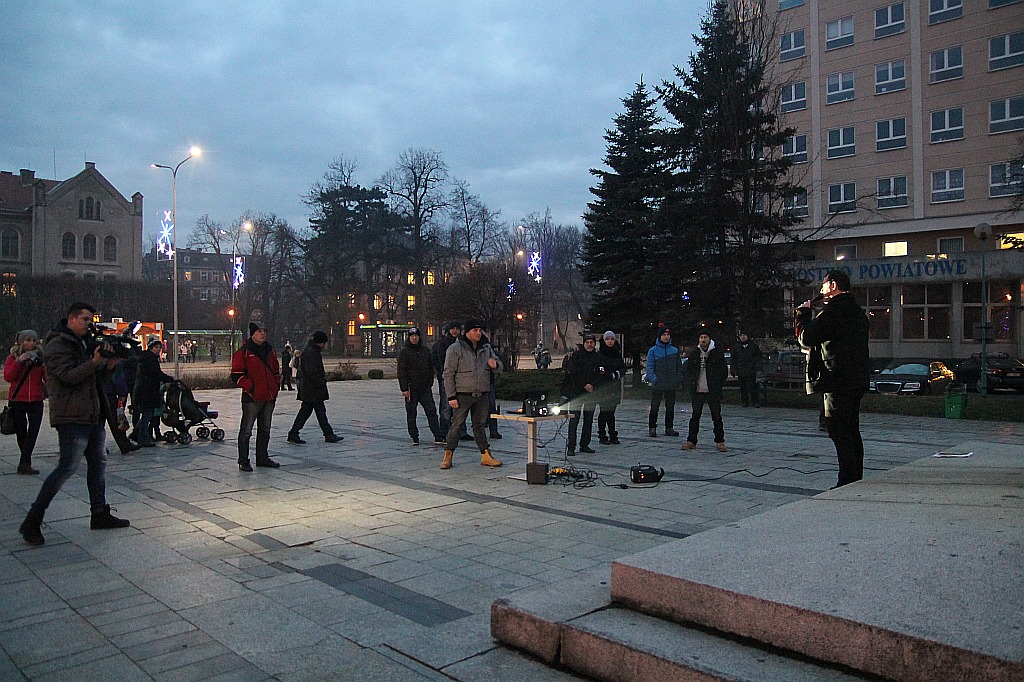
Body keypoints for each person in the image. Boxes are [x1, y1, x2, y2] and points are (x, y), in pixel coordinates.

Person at [19, 302, 131, 546]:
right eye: (84, 319)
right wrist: (95, 362)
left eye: (91, 320)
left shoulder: (82, 342)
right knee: (67, 466)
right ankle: (33, 519)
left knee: (98, 463)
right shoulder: (57, 344)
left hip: (92, 413)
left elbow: (93, 378)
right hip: (72, 415)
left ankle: (99, 513)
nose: (88, 324)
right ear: (71, 319)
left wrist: (108, 365)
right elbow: (69, 376)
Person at [796, 269, 870, 488]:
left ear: (834, 286)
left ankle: (847, 479)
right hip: (855, 378)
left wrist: (803, 316)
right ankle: (855, 476)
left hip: (837, 379)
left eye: (824, 285)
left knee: (838, 429)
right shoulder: (856, 311)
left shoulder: (834, 311)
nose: (821, 289)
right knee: (852, 429)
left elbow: (807, 337)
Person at [440, 319, 503, 470]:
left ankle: (485, 455)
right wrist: (451, 396)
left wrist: (496, 365)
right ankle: (448, 454)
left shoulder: (486, 348)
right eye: (475, 330)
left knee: (479, 425)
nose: (479, 333)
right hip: (463, 394)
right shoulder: (455, 348)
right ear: (467, 332)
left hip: (482, 393)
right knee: (456, 425)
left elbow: (499, 365)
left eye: (480, 330)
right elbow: (448, 373)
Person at [231, 322, 282, 471]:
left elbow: (275, 371)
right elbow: (236, 375)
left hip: (268, 397)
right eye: (260, 331)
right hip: (251, 399)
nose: (263, 334)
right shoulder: (244, 352)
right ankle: (243, 460)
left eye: (264, 331)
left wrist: (275, 387)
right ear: (253, 334)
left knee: (265, 429)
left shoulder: (269, 350)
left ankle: (262, 457)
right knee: (246, 430)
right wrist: (251, 388)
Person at [287, 331, 343, 445]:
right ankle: (327, 434)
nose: (325, 345)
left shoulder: (310, 350)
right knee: (318, 412)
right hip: (312, 388)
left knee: (309, 412)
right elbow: (312, 372)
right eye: (324, 343)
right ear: (320, 342)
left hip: (310, 388)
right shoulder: (312, 353)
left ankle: (295, 433)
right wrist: (321, 382)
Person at [4, 330, 46, 474]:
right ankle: (25, 462)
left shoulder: (39, 358)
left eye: (33, 340)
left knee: (34, 430)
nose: (31, 343)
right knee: (21, 431)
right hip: (18, 399)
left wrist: (44, 365)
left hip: (36, 398)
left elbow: (47, 379)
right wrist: (20, 361)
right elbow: (9, 377)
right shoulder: (13, 358)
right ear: (21, 342)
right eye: (27, 340)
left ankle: (24, 461)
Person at [682, 332, 729, 452]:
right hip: (698, 390)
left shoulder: (716, 353)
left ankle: (720, 441)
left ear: (709, 339)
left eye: (705, 337)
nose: (703, 340)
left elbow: (723, 371)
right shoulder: (694, 353)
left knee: (716, 416)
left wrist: (717, 383)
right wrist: (691, 382)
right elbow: (688, 370)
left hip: (712, 390)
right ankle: (691, 440)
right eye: (701, 337)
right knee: (695, 416)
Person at [396, 327, 443, 446]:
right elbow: (401, 371)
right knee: (412, 413)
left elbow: (430, 366)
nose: (414, 338)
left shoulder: (425, 350)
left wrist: (430, 381)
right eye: (412, 336)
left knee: (431, 411)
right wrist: (404, 388)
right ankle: (414, 436)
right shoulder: (405, 352)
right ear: (409, 338)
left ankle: (437, 435)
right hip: (411, 388)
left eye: (416, 336)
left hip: (425, 387)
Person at [560, 333, 602, 455]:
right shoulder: (576, 357)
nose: (589, 344)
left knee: (588, 420)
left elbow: (601, 374)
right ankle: (571, 446)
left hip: (591, 393)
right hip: (577, 392)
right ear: (584, 344)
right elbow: (573, 373)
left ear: (594, 344)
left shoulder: (598, 357)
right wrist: (585, 384)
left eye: (592, 342)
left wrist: (592, 384)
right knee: (574, 420)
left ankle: (585, 444)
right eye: (587, 342)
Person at [132, 339, 174, 447]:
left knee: (147, 415)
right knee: (147, 415)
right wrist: (169, 379)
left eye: (160, 348)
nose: (158, 350)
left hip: (144, 391)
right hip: (147, 392)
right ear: (151, 348)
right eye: (156, 347)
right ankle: (143, 439)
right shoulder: (150, 359)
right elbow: (156, 374)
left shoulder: (146, 358)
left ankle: (136, 434)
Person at [645, 324, 683, 437]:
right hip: (658, 383)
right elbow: (649, 367)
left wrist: (677, 379)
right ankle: (652, 427)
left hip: (671, 383)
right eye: (664, 335)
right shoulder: (653, 351)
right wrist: (654, 379)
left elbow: (678, 367)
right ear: (659, 336)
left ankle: (669, 427)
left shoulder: (674, 350)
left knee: (670, 406)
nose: (666, 337)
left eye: (668, 335)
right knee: (655, 406)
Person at [432, 321, 462, 438]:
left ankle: (460, 431)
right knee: (446, 404)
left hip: (459, 378)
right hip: (446, 377)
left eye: (457, 329)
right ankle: (444, 430)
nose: (455, 331)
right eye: (453, 329)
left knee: (460, 406)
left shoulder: (461, 343)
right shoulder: (443, 343)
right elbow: (438, 360)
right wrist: (442, 371)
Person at [596, 330, 625, 445]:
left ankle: (613, 434)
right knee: (604, 412)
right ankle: (603, 435)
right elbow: (600, 370)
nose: (610, 341)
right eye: (607, 339)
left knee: (611, 412)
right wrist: (608, 375)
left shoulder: (617, 353)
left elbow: (622, 368)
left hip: (614, 387)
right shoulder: (600, 354)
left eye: (612, 339)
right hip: (603, 387)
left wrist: (616, 374)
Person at [730, 333, 763, 408]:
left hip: (751, 370)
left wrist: (757, 364)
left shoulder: (753, 346)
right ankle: (744, 402)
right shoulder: (736, 347)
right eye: (741, 336)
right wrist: (733, 369)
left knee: (753, 387)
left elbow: (759, 356)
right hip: (741, 370)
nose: (743, 337)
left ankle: (755, 402)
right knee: (743, 388)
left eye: (744, 335)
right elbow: (733, 359)